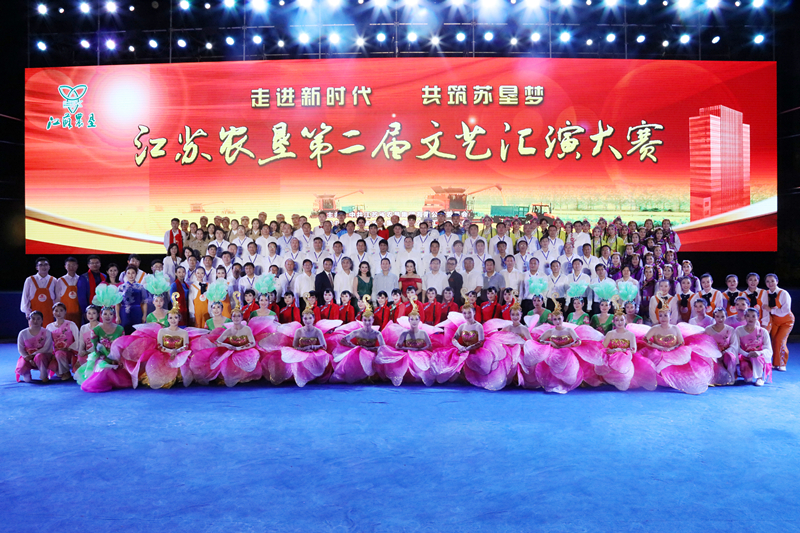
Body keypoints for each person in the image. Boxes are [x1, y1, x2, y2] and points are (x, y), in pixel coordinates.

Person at [374, 299, 435, 386]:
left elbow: (429, 346)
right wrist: (409, 349)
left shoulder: (423, 333)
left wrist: (420, 349)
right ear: (409, 320)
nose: (414, 321)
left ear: (419, 320)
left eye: (416, 319)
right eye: (412, 319)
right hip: (407, 354)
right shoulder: (404, 333)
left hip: (421, 354)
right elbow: (397, 346)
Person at [78, 296, 131, 393]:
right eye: (105, 314)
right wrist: (107, 358)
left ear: (114, 316)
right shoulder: (96, 330)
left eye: (110, 314)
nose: (107, 316)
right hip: (102, 356)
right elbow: (96, 349)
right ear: (101, 315)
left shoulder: (120, 329)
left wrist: (117, 359)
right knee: (104, 368)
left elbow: (122, 346)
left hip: (117, 357)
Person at [333, 297, 386, 383]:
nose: (367, 323)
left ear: (373, 320)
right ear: (362, 320)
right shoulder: (357, 332)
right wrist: (354, 346)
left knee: (370, 356)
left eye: (369, 320)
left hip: (371, 353)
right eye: (365, 320)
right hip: (358, 353)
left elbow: (383, 347)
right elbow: (343, 340)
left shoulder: (377, 334)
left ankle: (369, 377)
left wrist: (369, 349)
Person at [735, 307, 773, 387]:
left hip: (759, 357)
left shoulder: (763, 331)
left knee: (755, 357)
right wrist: (747, 354)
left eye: (753, 316)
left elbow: (768, 349)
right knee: (747, 379)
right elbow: (736, 347)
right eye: (748, 316)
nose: (750, 318)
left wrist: (759, 352)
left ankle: (760, 378)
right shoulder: (738, 330)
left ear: (758, 317)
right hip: (745, 356)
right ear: (745, 317)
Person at [15, 310, 54, 383]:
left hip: (43, 356)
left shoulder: (47, 332)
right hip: (28, 356)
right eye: (33, 319)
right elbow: (21, 349)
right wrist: (27, 357)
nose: (35, 321)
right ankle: (26, 373)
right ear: (29, 320)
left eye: (38, 319)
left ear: (42, 320)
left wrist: (33, 355)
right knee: (23, 372)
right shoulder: (23, 333)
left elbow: (46, 348)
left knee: (40, 356)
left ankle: (44, 374)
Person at [765, 273, 794, 371]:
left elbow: (785, 310)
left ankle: (782, 363)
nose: (770, 283)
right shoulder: (765, 293)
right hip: (774, 321)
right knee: (774, 341)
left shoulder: (784, 293)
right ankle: (775, 363)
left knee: (780, 340)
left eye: (772, 281)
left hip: (787, 321)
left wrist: (771, 310)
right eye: (768, 281)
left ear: (777, 281)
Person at [45, 302, 79, 381]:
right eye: (56, 310)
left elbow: (78, 339)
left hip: (70, 351)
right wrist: (51, 353)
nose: (58, 313)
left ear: (65, 312)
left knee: (60, 354)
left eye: (61, 310)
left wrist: (69, 348)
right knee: (56, 370)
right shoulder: (49, 327)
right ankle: (61, 370)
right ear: (53, 312)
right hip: (56, 353)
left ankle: (66, 372)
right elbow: (48, 343)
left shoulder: (71, 324)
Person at [706, 307, 739, 386]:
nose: (720, 319)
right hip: (713, 356)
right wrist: (716, 354)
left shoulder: (730, 330)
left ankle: (731, 377)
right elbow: (706, 344)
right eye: (717, 316)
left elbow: (734, 345)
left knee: (730, 356)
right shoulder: (708, 330)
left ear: (726, 317)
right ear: (714, 317)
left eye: (722, 316)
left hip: (726, 355)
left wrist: (724, 353)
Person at [21, 257, 56, 325]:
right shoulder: (29, 280)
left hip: (49, 313)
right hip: (34, 314)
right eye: (41, 265)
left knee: (48, 331)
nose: (43, 267)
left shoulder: (54, 280)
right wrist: (27, 312)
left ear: (49, 267)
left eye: (45, 265)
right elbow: (25, 297)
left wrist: (56, 312)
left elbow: (56, 298)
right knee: (35, 331)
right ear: (36, 267)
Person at [116, 266, 148, 335]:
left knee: (137, 332)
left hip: (137, 312)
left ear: (136, 274)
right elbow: (117, 303)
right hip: (124, 313)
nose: (131, 275)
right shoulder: (121, 287)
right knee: (124, 332)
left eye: (133, 273)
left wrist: (144, 315)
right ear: (126, 274)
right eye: (129, 273)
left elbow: (144, 302)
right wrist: (117, 316)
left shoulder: (140, 287)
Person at [54, 257, 81, 325]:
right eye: (69, 265)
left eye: (73, 265)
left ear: (77, 266)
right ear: (65, 266)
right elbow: (57, 298)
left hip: (78, 312)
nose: (71, 267)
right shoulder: (60, 280)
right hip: (64, 313)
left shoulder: (80, 279)